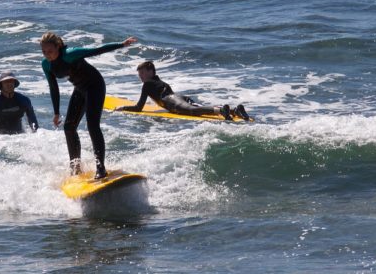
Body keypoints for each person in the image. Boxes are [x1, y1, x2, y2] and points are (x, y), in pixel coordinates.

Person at [40, 32, 137, 179]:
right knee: (69, 127)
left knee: (92, 125)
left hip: (95, 86)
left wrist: (121, 44)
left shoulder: (70, 54)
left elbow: (97, 50)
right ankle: (75, 168)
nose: (47, 55)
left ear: (58, 47)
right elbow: (54, 88)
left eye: (50, 51)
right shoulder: (46, 65)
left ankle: (101, 168)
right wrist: (56, 113)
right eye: (44, 52)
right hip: (80, 89)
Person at [115, 61, 251, 121]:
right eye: (140, 74)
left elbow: (139, 107)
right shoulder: (160, 81)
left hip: (172, 101)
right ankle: (235, 111)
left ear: (151, 71)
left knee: (192, 111)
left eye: (142, 73)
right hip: (179, 97)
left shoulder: (147, 84)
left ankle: (221, 110)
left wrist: (123, 108)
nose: (141, 77)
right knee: (198, 108)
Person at [0, 71, 39, 135]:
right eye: (6, 82)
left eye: (11, 81)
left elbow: (33, 121)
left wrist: (35, 133)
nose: (9, 84)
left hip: (20, 136)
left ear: (15, 83)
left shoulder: (24, 100)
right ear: (1, 85)